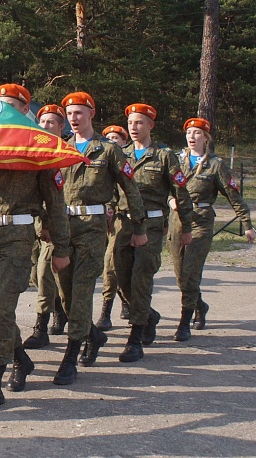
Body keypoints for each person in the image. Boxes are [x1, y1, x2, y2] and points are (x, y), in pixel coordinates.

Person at [0, 82, 71, 412]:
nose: (4, 112)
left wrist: (61, 248)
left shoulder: (39, 149)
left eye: (11, 106)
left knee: (3, 308)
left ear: (25, 112)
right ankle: (21, 358)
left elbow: (55, 204)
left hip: (18, 238)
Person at [52, 92, 147, 385]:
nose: (73, 118)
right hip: (63, 226)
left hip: (92, 227)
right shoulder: (59, 148)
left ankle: (70, 356)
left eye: (79, 113)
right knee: (66, 296)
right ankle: (93, 335)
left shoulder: (107, 151)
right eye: (69, 114)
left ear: (92, 114)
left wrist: (139, 227)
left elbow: (129, 189)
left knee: (81, 291)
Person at [116, 103, 193, 362]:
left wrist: (186, 226)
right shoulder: (120, 153)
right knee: (121, 278)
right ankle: (148, 314)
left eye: (139, 123)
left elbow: (180, 192)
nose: (134, 128)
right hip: (123, 224)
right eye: (131, 123)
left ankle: (135, 337)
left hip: (150, 226)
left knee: (141, 277)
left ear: (150, 125)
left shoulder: (163, 156)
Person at [168, 117, 255, 341]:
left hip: (201, 221)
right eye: (189, 133)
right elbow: (163, 187)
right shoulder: (175, 161)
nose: (192, 137)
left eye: (197, 133)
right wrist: (170, 201)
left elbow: (234, 195)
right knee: (180, 276)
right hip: (177, 219)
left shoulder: (215, 165)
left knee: (190, 274)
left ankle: (184, 322)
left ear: (206, 138)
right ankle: (200, 305)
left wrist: (246, 224)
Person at [22, 104, 67, 351]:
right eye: (42, 122)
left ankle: (40, 327)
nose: (46, 126)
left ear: (61, 127)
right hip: (36, 224)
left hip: (60, 224)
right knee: (36, 276)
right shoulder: (35, 152)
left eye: (51, 122)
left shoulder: (67, 153)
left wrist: (52, 226)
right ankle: (60, 310)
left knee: (44, 273)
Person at [97, 124, 133, 330]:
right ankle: (106, 312)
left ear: (124, 141)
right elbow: (108, 191)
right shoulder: (106, 162)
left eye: (116, 138)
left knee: (131, 270)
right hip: (115, 222)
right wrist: (109, 208)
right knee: (110, 266)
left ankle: (135, 306)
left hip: (138, 222)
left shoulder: (132, 160)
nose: (112, 141)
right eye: (108, 137)